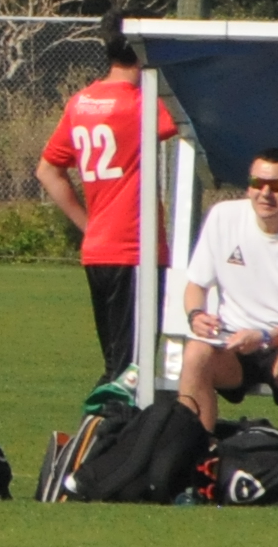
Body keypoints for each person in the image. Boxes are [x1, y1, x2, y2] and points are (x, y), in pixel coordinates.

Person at [41, 37, 181, 384]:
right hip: (134, 250)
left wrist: (90, 226)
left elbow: (48, 171)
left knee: (117, 365)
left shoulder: (81, 102)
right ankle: (110, 420)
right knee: (131, 372)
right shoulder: (140, 103)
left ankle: (108, 417)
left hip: (99, 249)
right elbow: (190, 118)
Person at [173, 154, 278, 430]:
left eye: (276, 186)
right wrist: (196, 315)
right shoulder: (224, 217)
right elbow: (196, 285)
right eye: (258, 183)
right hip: (231, 345)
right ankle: (196, 448)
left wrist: (265, 336)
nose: (265, 193)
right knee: (196, 354)